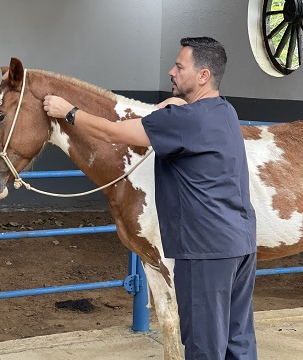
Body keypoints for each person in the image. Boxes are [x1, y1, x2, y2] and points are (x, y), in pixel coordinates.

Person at [43, 37, 257, 360]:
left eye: (180, 66)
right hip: (241, 247)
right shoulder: (225, 111)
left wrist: (69, 112)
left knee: (203, 346)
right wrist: (175, 106)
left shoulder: (182, 121)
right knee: (237, 343)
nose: (171, 71)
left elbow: (111, 134)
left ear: (202, 76)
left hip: (205, 251)